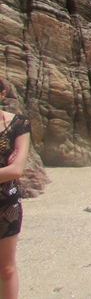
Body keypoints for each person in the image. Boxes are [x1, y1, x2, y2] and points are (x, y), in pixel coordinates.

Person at [0, 79, 31, 299]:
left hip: (6, 205)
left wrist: (9, 169)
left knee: (6, 269)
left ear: (2, 94)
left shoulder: (18, 124)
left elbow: (17, 169)